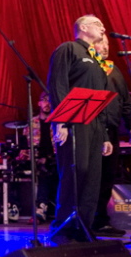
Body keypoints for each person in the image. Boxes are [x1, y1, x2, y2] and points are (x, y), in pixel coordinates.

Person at [46, 15, 113, 243]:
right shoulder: (69, 49)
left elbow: (100, 98)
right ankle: (63, 228)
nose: (103, 28)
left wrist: (105, 135)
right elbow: (58, 84)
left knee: (92, 177)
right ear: (83, 27)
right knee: (75, 172)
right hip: (73, 122)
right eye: (98, 24)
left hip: (94, 125)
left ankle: (83, 227)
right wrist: (61, 121)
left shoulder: (95, 58)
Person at [91, 36, 131, 237]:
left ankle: (101, 221)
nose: (106, 47)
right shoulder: (88, 68)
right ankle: (87, 220)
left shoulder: (113, 69)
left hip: (113, 129)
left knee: (108, 177)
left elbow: (125, 100)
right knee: (93, 178)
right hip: (93, 130)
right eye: (101, 43)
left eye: (107, 44)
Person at [19, 91, 58, 223]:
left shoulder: (58, 123)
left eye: (50, 100)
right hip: (36, 160)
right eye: (45, 100)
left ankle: (45, 209)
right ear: (39, 103)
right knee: (43, 172)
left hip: (54, 159)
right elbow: (24, 147)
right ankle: (40, 209)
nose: (48, 103)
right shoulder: (32, 123)